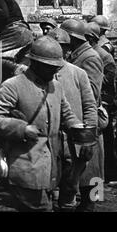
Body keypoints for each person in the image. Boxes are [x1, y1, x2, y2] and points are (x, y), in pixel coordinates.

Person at [0, 36, 80, 212]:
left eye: (56, 67)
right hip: (25, 167)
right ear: (35, 63)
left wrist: (76, 126)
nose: (54, 71)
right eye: (49, 67)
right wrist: (22, 129)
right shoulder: (13, 86)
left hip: (51, 167)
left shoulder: (56, 86)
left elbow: (66, 112)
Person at [49, 28, 97, 212]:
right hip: (55, 139)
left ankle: (92, 205)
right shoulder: (38, 72)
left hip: (82, 134)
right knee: (52, 187)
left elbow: (92, 102)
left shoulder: (83, 67)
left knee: (92, 178)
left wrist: (88, 135)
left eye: (61, 47)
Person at [60, 18, 104, 212]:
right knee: (84, 172)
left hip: (88, 124)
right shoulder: (78, 54)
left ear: (72, 38)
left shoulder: (90, 57)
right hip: (80, 123)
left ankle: (93, 205)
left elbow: (93, 93)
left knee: (93, 173)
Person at [85, 22, 117, 182]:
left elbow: (109, 79)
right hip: (98, 101)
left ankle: (107, 177)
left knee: (104, 142)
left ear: (90, 38)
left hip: (103, 101)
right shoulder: (94, 52)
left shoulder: (102, 55)